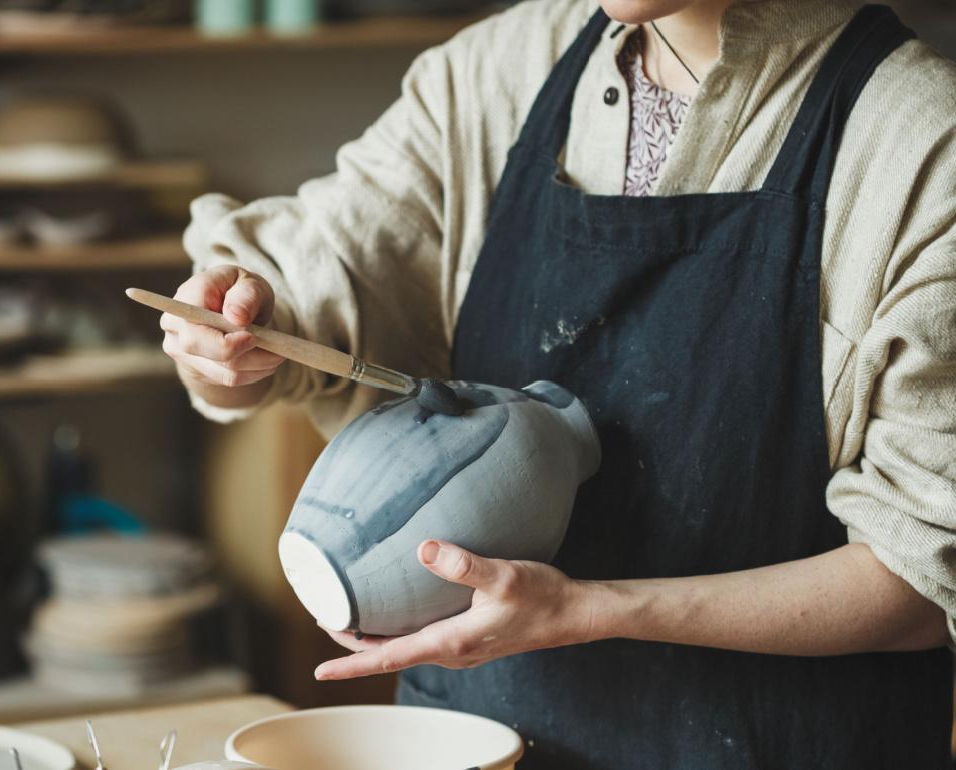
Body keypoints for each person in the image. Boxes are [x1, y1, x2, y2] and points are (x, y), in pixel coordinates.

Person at [162, 0, 956, 766]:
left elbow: (920, 582)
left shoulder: (920, 141)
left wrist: (592, 611)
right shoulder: (498, 69)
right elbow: (313, 287)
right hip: (476, 743)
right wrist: (229, 341)